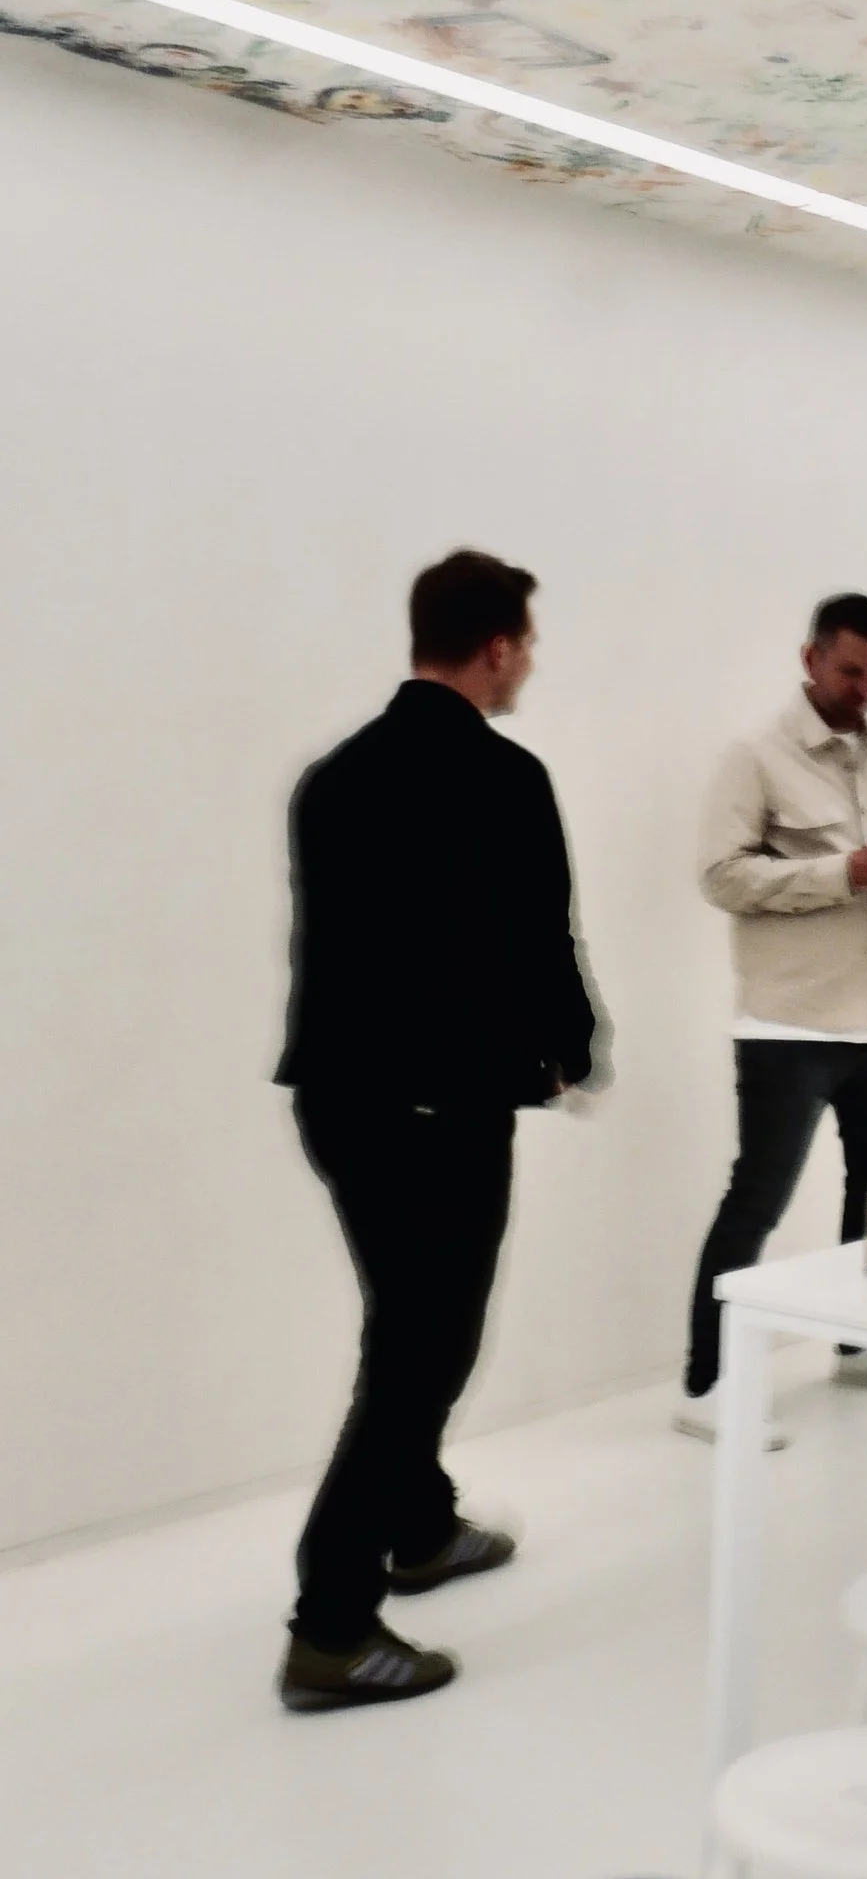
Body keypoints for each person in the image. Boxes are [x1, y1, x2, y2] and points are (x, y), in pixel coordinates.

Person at [277, 551, 604, 1711]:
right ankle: (330, 1624)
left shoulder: (330, 779)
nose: (529, 668)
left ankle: (417, 1527)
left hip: (338, 1104)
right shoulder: (503, 777)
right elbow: (537, 939)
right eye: (527, 647)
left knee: (405, 1322)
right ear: (497, 648)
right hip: (437, 1112)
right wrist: (573, 1047)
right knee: (425, 1351)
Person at [678, 592, 867, 1427]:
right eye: (850, 670)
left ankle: (865, 1346)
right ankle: (708, 1386)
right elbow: (720, 876)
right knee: (756, 1201)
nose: (864, 687)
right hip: (787, 1026)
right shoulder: (755, 757)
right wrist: (842, 873)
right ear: (810, 658)